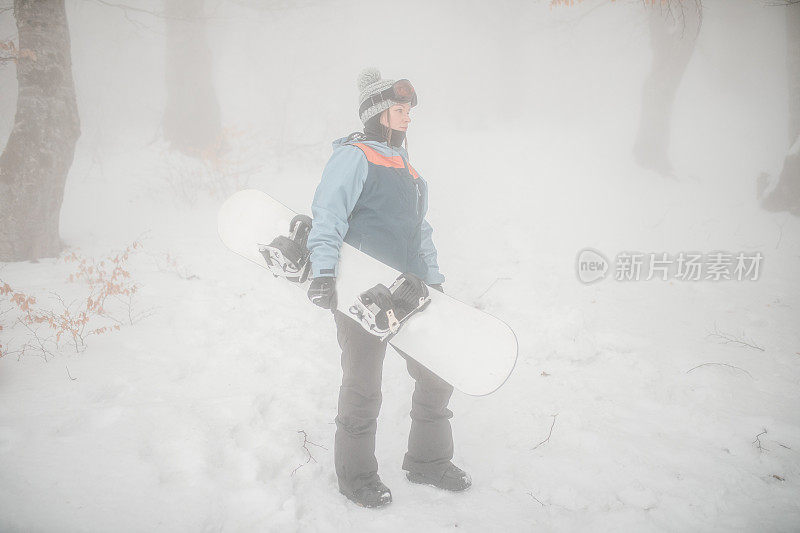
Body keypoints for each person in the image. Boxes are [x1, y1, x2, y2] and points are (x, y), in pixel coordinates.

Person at [305, 68, 472, 508]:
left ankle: (428, 461)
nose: (408, 117)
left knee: (436, 373)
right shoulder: (354, 157)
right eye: (401, 109)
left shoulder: (410, 172)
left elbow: (421, 232)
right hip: (364, 294)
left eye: (409, 110)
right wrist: (323, 271)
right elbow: (328, 213)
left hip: (410, 292)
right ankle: (356, 477)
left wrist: (435, 281)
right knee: (363, 386)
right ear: (379, 114)